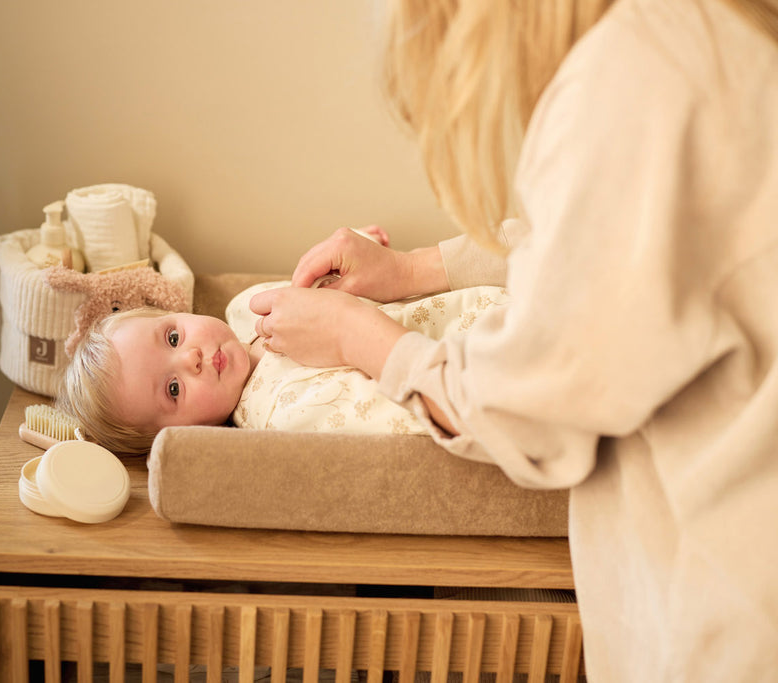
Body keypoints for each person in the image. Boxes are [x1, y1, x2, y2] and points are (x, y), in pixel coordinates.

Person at [248, 0, 778, 679]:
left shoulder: (634, 77)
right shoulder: (695, 34)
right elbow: (602, 246)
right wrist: (411, 270)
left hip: (736, 607)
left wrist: (359, 337)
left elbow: (528, 412)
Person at [56, 276, 509, 455]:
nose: (190, 357)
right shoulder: (279, 415)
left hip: (485, 299)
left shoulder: (245, 308)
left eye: (173, 337)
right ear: (182, 436)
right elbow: (403, 414)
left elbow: (328, 289)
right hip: (479, 370)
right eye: (173, 389)